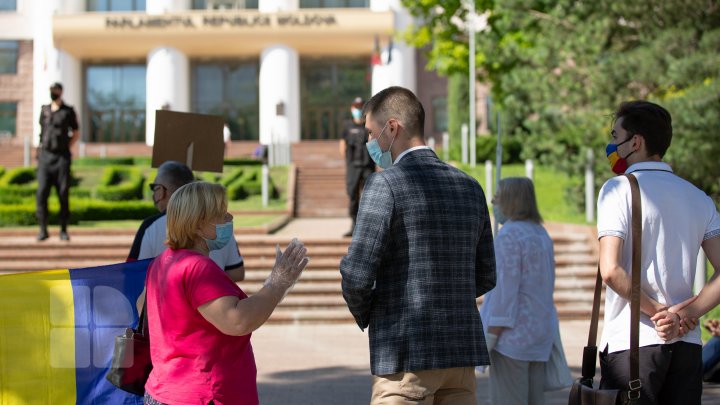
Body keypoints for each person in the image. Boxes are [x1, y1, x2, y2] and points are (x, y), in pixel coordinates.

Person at [340, 86, 496, 404]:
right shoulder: (470, 186)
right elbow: (487, 275)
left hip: (405, 356)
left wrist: (374, 313)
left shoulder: (384, 184)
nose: (370, 141)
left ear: (392, 127)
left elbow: (356, 274)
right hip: (461, 353)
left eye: (371, 132)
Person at [596, 100, 720, 404]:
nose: (612, 145)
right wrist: (684, 315)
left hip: (632, 342)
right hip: (687, 344)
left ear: (635, 141)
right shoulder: (698, 197)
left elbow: (611, 270)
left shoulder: (618, 189)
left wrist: (658, 314)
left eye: (615, 136)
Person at [143, 181, 308, 405]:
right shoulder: (197, 267)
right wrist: (278, 283)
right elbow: (238, 320)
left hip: (167, 388)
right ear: (199, 225)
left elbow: (141, 306)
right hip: (201, 394)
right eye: (221, 214)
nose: (229, 218)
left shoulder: (162, 262)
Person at [479, 177, 557, 405]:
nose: (493, 202)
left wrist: (491, 334)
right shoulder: (541, 234)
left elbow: (503, 292)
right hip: (539, 335)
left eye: (498, 197)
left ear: (512, 201)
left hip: (510, 339)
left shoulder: (509, 235)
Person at [127, 161, 245, 282]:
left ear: (162, 191)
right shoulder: (218, 224)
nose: (229, 218)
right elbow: (236, 273)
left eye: (154, 188)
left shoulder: (152, 226)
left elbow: (134, 276)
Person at [36, 82, 79, 241]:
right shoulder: (44, 110)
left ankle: (63, 230)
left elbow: (76, 132)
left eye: (56, 90)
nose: (53, 92)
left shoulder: (68, 111)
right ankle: (43, 230)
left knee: (63, 193)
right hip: (45, 157)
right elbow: (41, 132)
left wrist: (66, 146)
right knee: (41, 193)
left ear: (61, 92)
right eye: (51, 90)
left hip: (62, 157)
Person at [339, 96, 376, 237]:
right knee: (353, 196)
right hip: (353, 167)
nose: (358, 109)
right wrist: (348, 163)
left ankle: (367, 228)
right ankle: (354, 226)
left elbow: (375, 144)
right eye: (356, 107)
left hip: (367, 166)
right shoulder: (347, 126)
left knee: (369, 196)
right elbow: (342, 146)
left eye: (361, 107)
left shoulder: (370, 126)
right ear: (352, 108)